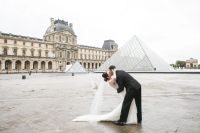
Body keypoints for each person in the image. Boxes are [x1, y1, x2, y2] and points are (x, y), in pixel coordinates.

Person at [72, 68, 137, 124]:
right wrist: (114, 71)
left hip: (123, 92)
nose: (109, 73)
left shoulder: (110, 80)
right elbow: (114, 77)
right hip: (122, 92)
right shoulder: (111, 81)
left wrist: (111, 71)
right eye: (108, 74)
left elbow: (116, 78)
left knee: (128, 103)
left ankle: (128, 118)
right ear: (107, 77)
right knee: (128, 103)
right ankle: (127, 118)